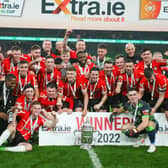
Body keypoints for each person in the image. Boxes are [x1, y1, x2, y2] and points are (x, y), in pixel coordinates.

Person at [114, 88, 158, 153]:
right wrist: (114, 113)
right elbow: (120, 110)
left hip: (151, 123)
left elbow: (145, 123)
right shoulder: (128, 104)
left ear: (137, 95)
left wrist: (135, 131)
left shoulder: (143, 105)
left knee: (149, 125)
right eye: (131, 95)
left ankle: (152, 145)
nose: (133, 97)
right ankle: (141, 137)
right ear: (128, 96)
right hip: (138, 122)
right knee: (124, 128)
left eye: (134, 94)